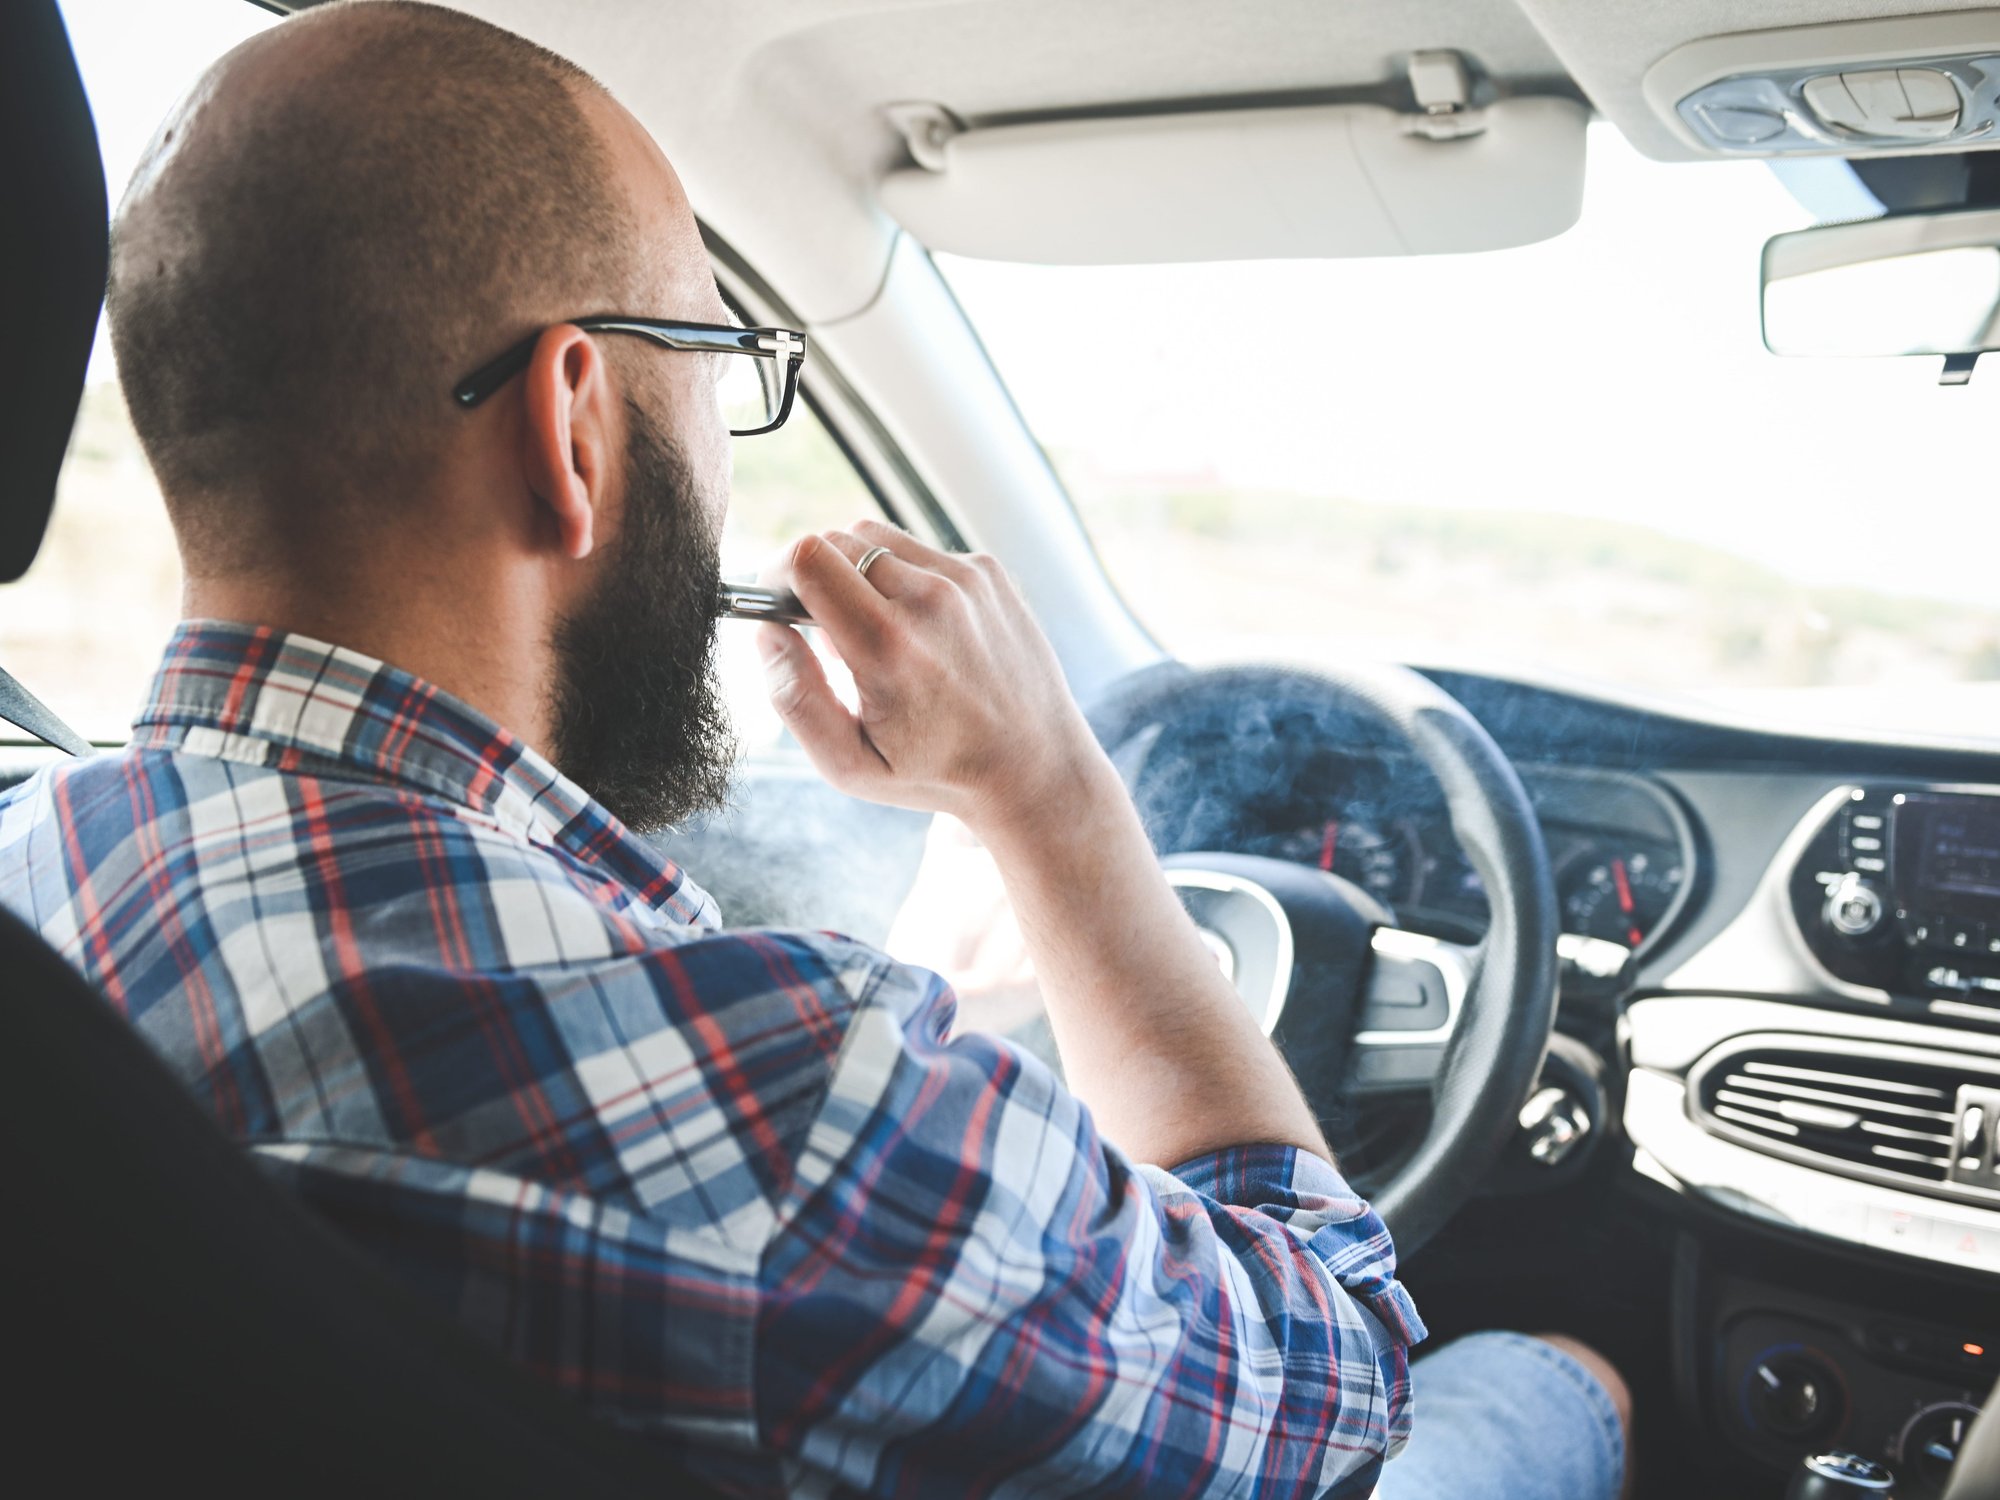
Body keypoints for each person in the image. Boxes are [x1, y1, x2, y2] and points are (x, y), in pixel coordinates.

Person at [0, 3, 1628, 1496]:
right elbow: (1334, 1387)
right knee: (1540, 1383)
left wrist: (933, 1039)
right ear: (573, 426)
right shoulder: (802, 1114)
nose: (722, 458)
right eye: (717, 372)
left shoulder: (38, 859)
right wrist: (1053, 801)